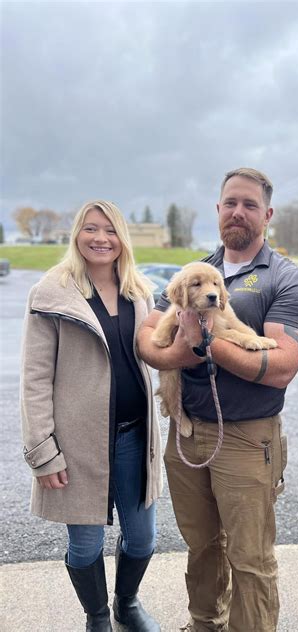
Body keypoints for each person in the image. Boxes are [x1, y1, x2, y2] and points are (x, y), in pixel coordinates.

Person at [137, 167, 298, 632]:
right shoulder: (195, 270)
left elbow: (281, 366)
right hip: (187, 433)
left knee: (249, 556)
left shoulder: (288, 280)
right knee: (201, 546)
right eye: (230, 203)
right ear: (218, 211)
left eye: (250, 204)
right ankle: (204, 623)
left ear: (268, 215)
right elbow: (146, 338)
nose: (238, 212)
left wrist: (203, 343)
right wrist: (178, 348)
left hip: (246, 439)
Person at [20, 200, 163, 632]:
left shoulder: (139, 292)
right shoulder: (52, 294)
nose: (100, 238)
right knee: (85, 546)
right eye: (90, 229)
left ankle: (126, 603)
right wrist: (43, 452)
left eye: (110, 230)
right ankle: (97, 615)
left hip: (136, 437)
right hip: (77, 444)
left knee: (143, 538)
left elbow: (156, 351)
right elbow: (35, 378)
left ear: (122, 239)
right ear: (77, 236)